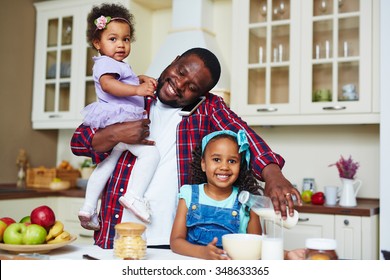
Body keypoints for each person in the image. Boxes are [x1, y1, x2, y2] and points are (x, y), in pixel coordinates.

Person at [71, 47, 302, 249]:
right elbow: (79, 142)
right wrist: (116, 133)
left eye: (191, 86)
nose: (178, 85)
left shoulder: (207, 108)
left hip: (174, 242)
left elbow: (242, 133)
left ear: (202, 94)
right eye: (181, 72)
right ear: (175, 59)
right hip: (117, 236)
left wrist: (272, 173)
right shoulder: (132, 93)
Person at [78, 3, 159, 231]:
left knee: (106, 164)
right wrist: (137, 90)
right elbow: (109, 84)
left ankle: (87, 208)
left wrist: (139, 78)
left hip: (117, 122)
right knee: (150, 154)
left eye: (126, 39)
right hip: (120, 122)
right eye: (113, 39)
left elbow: (121, 79)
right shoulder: (105, 63)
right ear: (97, 43)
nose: (121, 45)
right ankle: (134, 195)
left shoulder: (115, 64)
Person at [170, 130, 305, 260]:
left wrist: (287, 255)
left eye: (232, 161)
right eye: (216, 159)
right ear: (203, 164)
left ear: (240, 166)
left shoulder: (247, 203)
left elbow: (257, 246)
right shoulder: (189, 194)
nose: (224, 167)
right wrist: (203, 253)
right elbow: (176, 242)